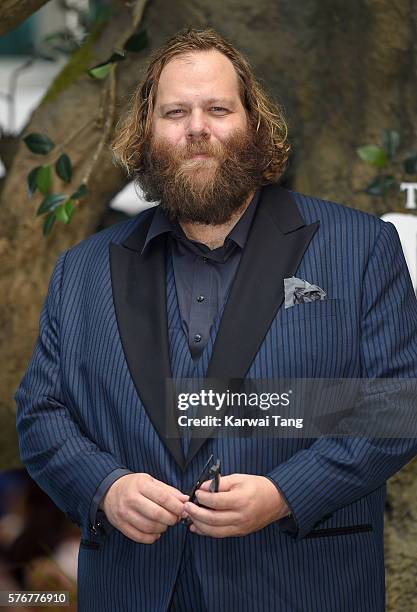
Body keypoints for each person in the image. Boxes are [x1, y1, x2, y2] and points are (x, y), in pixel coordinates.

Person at [15, 27, 417, 612]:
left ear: (253, 122)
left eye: (218, 109)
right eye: (175, 112)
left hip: (302, 585)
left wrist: (286, 492)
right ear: (146, 134)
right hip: (134, 589)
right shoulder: (82, 270)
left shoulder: (360, 248)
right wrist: (105, 487)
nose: (196, 127)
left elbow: (398, 403)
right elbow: (40, 414)